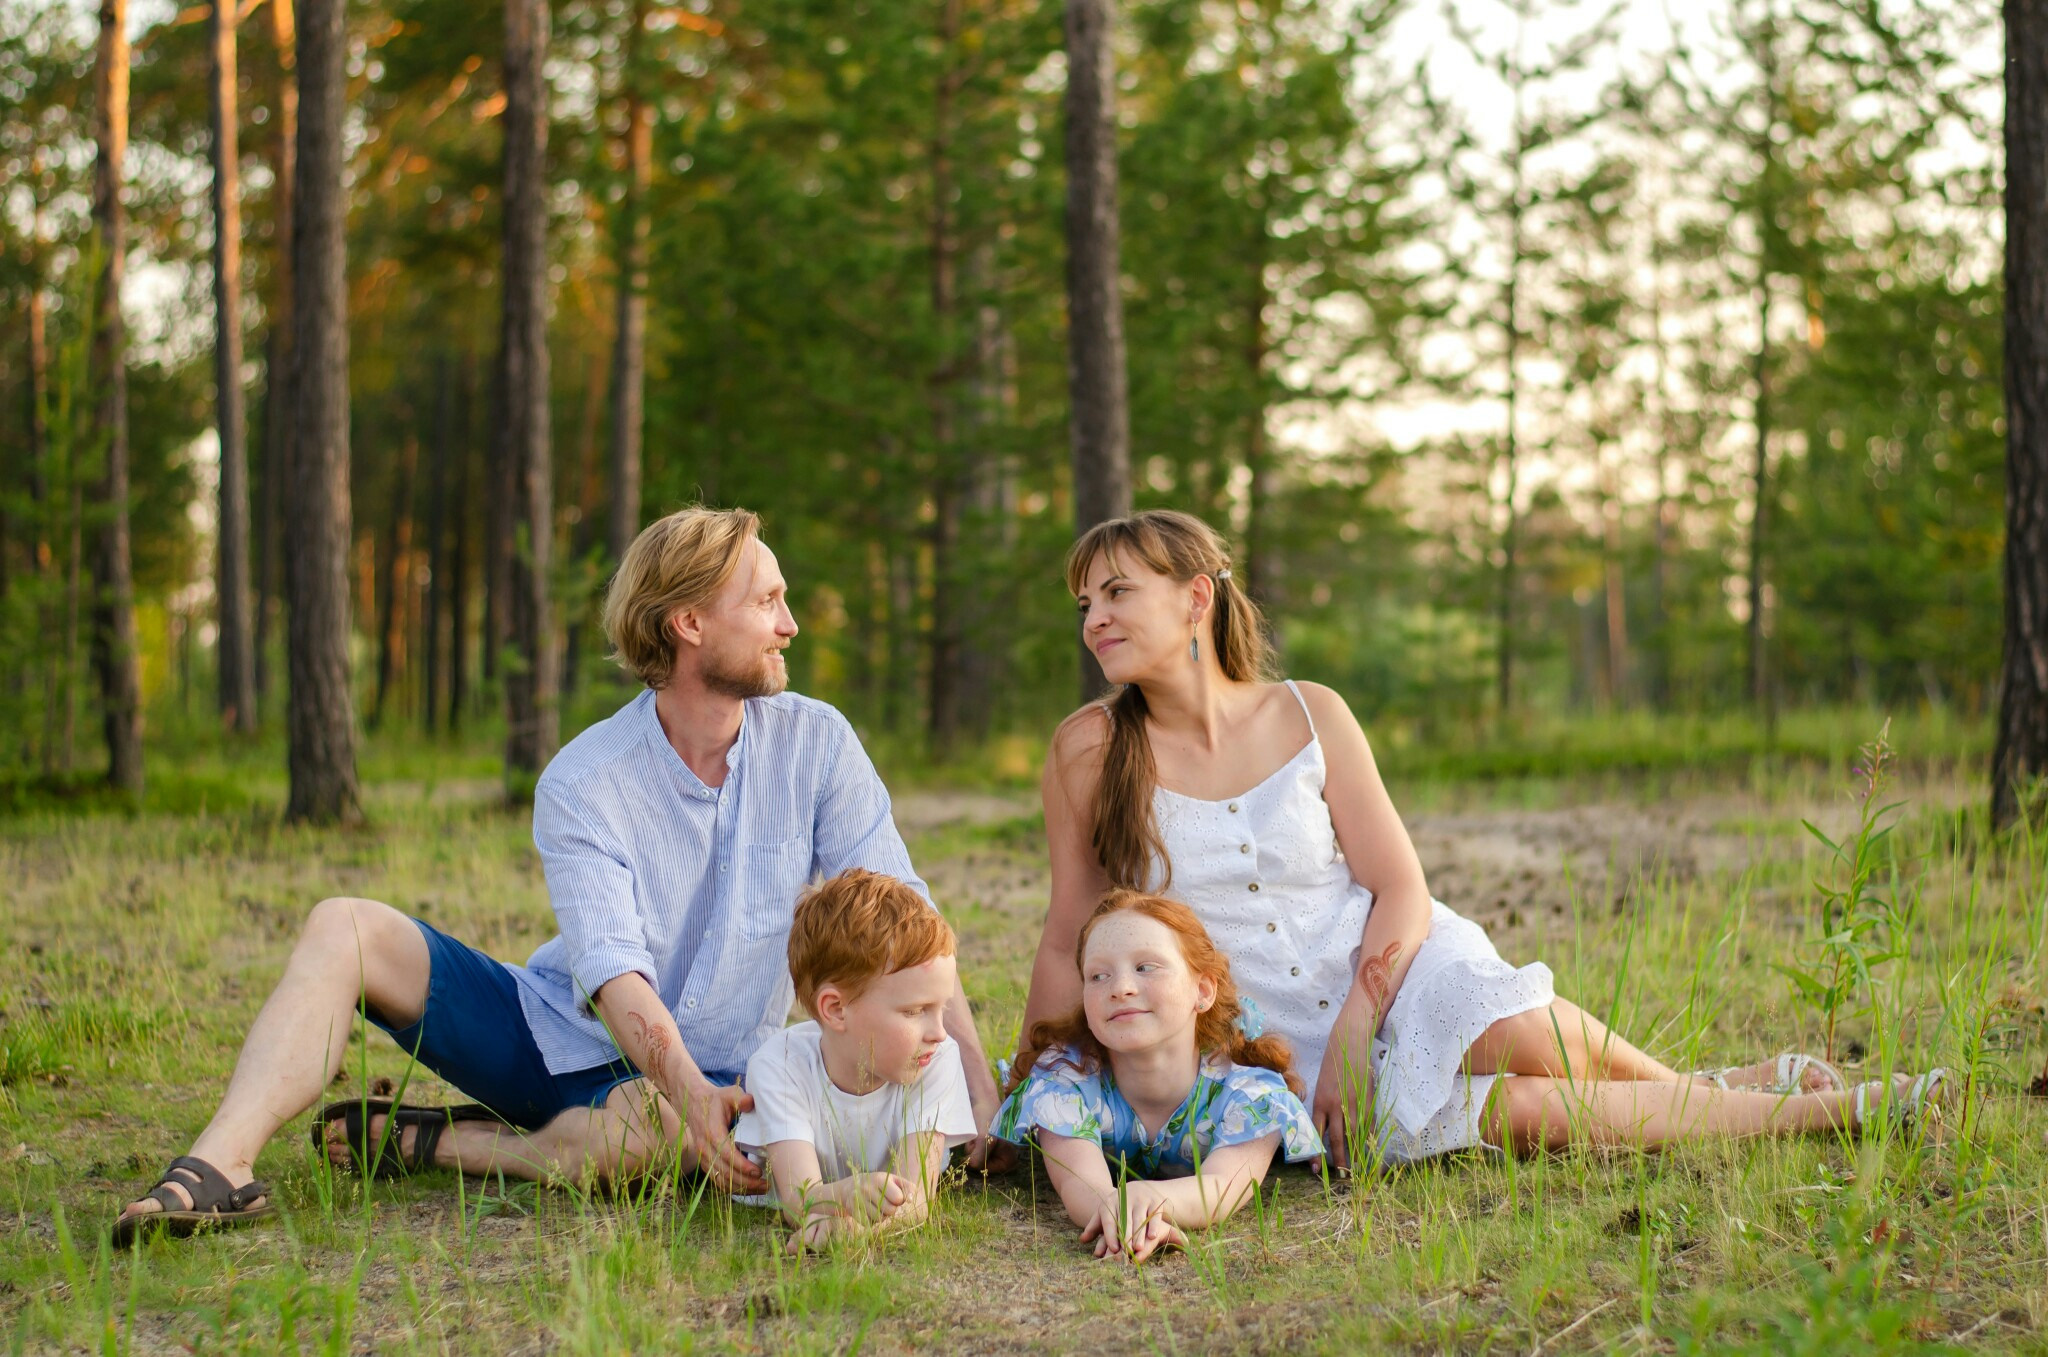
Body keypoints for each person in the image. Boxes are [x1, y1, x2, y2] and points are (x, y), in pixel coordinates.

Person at [114, 506, 997, 1244]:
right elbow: (614, 973)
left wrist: (974, 1084)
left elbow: (906, 917)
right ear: (689, 622)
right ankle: (221, 1163)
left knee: (642, 1137)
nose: (789, 623)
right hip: (556, 1040)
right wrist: (688, 1098)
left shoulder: (817, 741)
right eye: (768, 601)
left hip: (724, 1070)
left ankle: (448, 1145)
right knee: (345, 921)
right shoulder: (585, 779)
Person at [1014, 509, 1944, 1174]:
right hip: (1260, 1038)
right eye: (1084, 600)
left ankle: (1784, 1099)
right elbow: (1071, 933)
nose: (1094, 617)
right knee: (1534, 1113)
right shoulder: (1088, 751)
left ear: (1196, 600)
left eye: (1118, 591)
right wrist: (1022, 1098)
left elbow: (1399, 888)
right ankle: (1772, 1104)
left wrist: (1358, 1024)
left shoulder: (1310, 713)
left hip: (1390, 966)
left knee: (1519, 1032)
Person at [992, 891, 1322, 1263]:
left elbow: (1220, 1188)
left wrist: (1153, 1201)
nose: (1120, 988)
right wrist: (1126, 1217)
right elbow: (1080, 1186)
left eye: (1146, 967)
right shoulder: (1064, 1082)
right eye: (1098, 975)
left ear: (1203, 990)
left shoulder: (1250, 1094)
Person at [733, 869, 978, 1253]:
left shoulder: (937, 1058)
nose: (940, 1032)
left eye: (941, 1008)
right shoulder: (779, 1066)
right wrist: (845, 1195)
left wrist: (860, 1236)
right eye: (915, 1011)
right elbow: (800, 1201)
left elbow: (918, 1200)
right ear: (836, 1009)